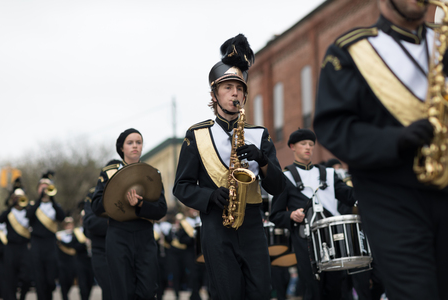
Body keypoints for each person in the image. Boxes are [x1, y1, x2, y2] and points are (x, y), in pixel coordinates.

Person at [313, 1, 448, 299]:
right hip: (392, 200)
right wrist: (396, 139)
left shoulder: (443, 42)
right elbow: (333, 128)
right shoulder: (350, 51)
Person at [173, 34, 286, 300]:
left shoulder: (260, 135)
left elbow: (279, 187)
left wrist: (263, 160)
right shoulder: (196, 135)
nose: (235, 93)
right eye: (227, 87)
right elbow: (181, 187)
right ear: (214, 94)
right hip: (216, 226)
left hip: (253, 226)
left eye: (240, 88)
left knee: (260, 292)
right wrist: (210, 196)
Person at [270, 128, 356, 300]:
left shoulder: (328, 174)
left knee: (336, 288)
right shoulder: (285, 177)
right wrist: (291, 216)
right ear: (292, 147)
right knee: (313, 288)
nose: (308, 148)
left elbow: (349, 196)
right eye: (303, 144)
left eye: (311, 144)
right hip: (305, 242)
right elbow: (276, 215)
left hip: (333, 239)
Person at [91, 128, 167, 300]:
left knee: (148, 291)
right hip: (118, 235)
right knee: (122, 292)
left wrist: (140, 204)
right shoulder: (109, 171)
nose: (135, 146)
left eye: (138, 142)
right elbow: (96, 206)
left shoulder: (152, 174)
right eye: (130, 143)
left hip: (145, 236)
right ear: (121, 148)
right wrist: (119, 198)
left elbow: (161, 209)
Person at [27, 171, 66, 300]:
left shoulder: (55, 206)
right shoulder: (33, 205)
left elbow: (62, 217)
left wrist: (52, 198)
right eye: (41, 187)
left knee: (50, 279)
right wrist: (40, 199)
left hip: (50, 245)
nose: (44, 189)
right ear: (38, 189)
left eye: (47, 187)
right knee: (39, 279)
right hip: (37, 245)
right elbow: (29, 216)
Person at [0, 188, 32, 300]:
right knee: (10, 279)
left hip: (24, 248)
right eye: (16, 198)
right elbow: (0, 220)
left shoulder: (28, 212)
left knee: (27, 277)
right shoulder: (9, 213)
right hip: (11, 249)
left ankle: (22, 297)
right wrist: (11, 205)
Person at [83, 187, 112, 300]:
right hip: (101, 251)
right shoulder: (93, 194)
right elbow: (90, 223)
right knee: (109, 288)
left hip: (124, 250)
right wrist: (115, 221)